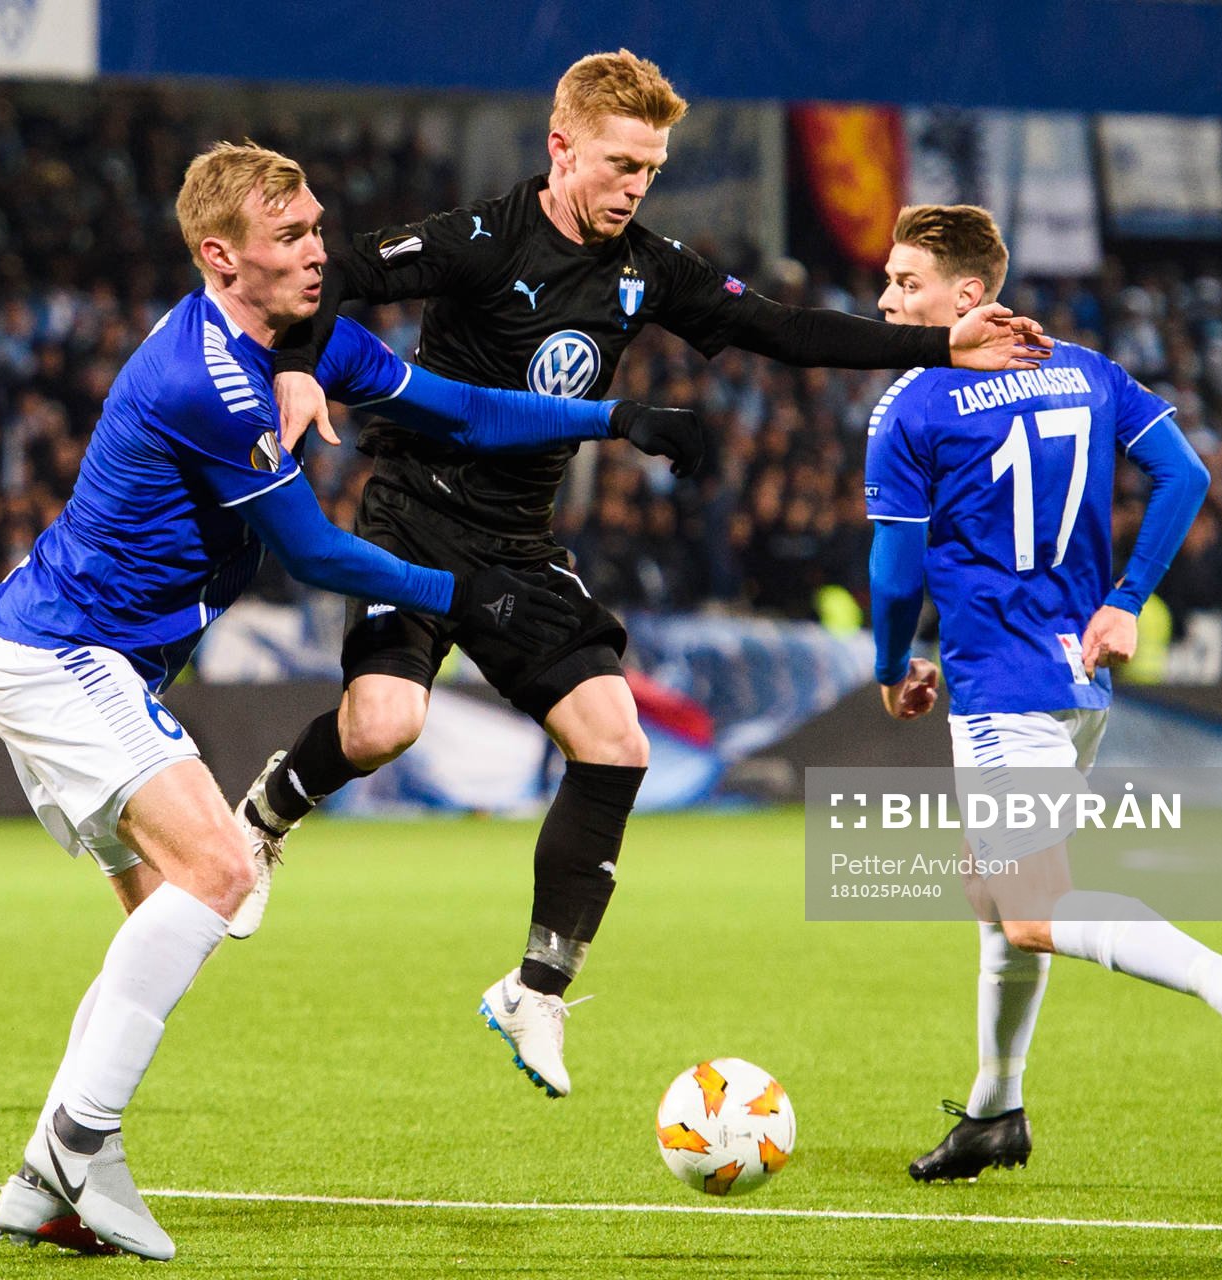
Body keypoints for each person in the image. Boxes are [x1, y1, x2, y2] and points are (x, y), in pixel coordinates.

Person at [242, 50, 1053, 1100]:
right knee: (382, 726)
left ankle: (536, 986)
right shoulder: (483, 237)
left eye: (653, 168)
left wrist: (942, 345)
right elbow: (344, 268)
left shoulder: (648, 266)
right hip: (414, 514)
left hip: (521, 540)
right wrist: (300, 358)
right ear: (561, 146)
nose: (636, 185)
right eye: (622, 162)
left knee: (616, 743)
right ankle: (264, 814)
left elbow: (781, 329)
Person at [0, 141, 702, 1260]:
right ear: (222, 258)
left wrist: (614, 420)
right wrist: (464, 594)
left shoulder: (302, 341)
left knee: (173, 916)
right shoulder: (207, 378)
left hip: (68, 653)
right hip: (67, 655)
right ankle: (73, 1149)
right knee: (220, 873)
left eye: (319, 227)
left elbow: (461, 408)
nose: (321, 252)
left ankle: (56, 1170)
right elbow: (315, 552)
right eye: (290, 238)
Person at [861, 204, 1222, 1183]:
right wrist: (1126, 599)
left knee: (1026, 907)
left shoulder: (915, 403)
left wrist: (894, 668)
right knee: (996, 895)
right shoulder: (1086, 368)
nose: (888, 297)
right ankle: (993, 1108)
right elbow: (1184, 474)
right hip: (1077, 680)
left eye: (907, 281)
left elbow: (895, 575)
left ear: (967, 295)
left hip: (1000, 688)